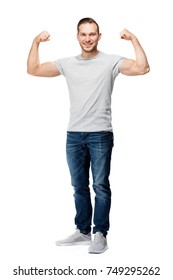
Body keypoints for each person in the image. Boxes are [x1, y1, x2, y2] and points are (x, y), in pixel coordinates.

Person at [27, 17, 150, 254]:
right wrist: (35, 42)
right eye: (83, 34)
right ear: (77, 36)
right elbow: (33, 69)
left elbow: (142, 68)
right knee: (79, 186)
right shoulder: (67, 63)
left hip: (100, 134)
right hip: (74, 135)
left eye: (92, 34)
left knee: (101, 186)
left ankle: (100, 233)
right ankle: (83, 231)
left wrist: (134, 39)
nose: (87, 39)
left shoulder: (111, 62)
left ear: (99, 36)